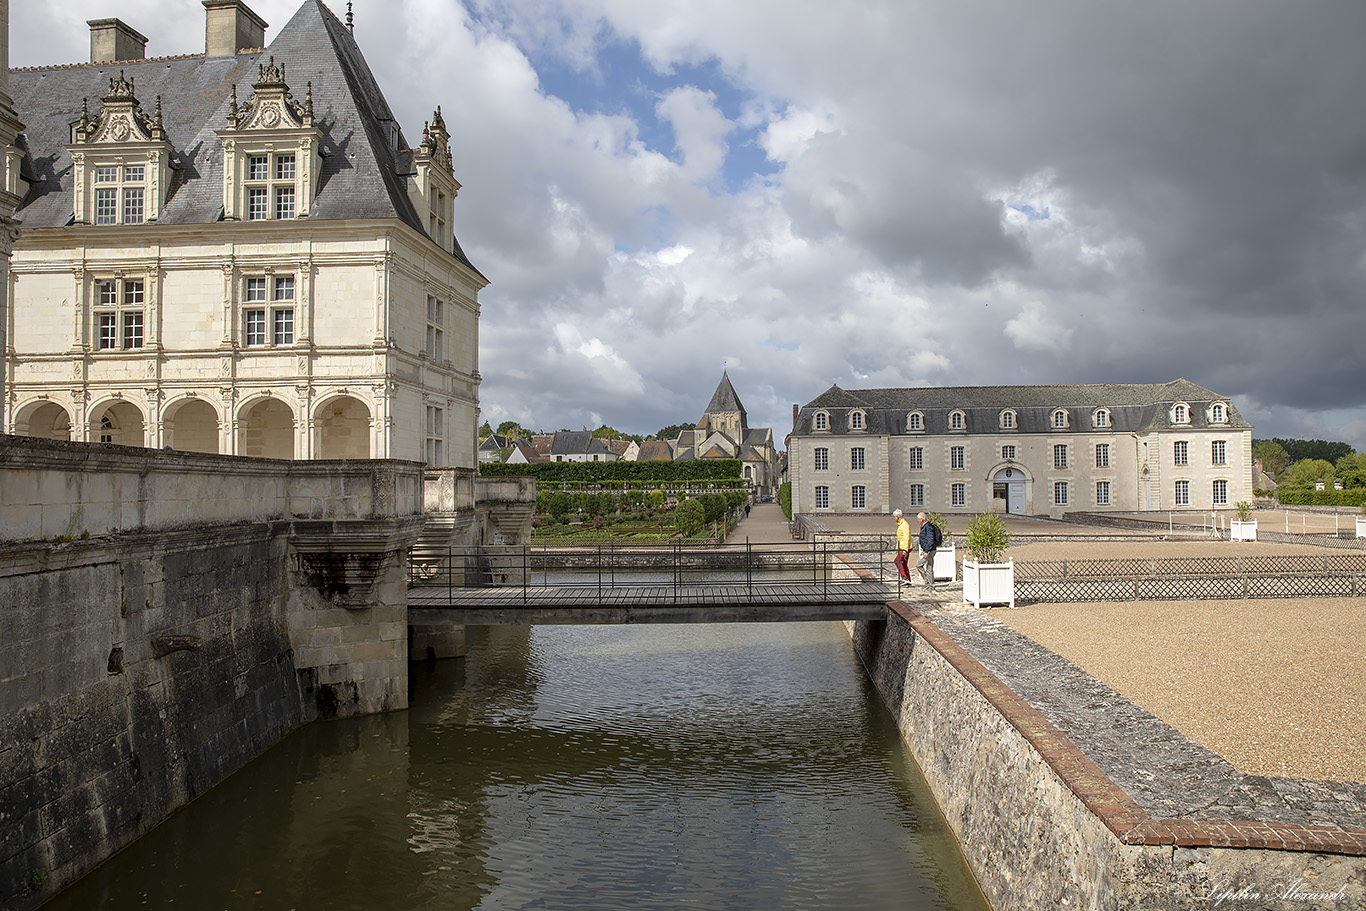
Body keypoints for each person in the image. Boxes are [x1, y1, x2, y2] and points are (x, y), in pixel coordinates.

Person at [916, 512, 938, 589]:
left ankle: (930, 585)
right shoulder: (924, 526)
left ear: (922, 519)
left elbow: (930, 540)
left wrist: (927, 551)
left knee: (928, 567)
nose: (917, 521)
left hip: (929, 550)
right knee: (920, 565)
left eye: (918, 519)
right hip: (926, 549)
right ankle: (928, 582)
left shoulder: (928, 527)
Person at [893, 509, 912, 581]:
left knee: (897, 561)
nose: (894, 518)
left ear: (898, 516)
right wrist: (897, 548)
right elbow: (900, 538)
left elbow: (906, 537)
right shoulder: (901, 525)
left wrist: (905, 549)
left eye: (894, 517)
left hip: (905, 547)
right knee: (903, 563)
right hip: (903, 547)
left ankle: (904, 577)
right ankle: (908, 579)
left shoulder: (904, 525)